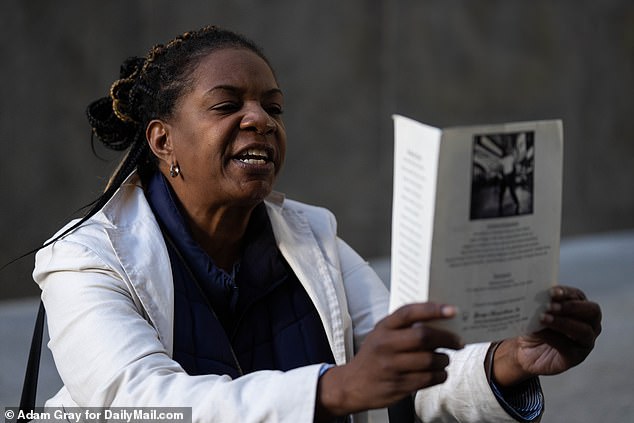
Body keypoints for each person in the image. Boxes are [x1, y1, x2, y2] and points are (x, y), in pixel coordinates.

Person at [33, 26, 602, 422]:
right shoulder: (85, 256)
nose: (258, 119)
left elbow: (406, 365)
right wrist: (333, 389)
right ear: (163, 140)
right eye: (226, 105)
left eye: (273, 108)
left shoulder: (312, 237)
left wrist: (509, 360)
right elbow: (142, 403)